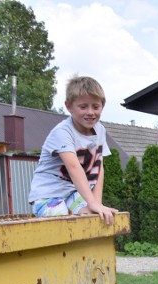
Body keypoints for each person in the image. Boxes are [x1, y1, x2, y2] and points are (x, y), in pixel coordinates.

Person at [28, 75, 118, 224]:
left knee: (95, 218)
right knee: (64, 221)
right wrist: (92, 202)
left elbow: (99, 167)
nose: (90, 112)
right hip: (49, 195)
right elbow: (73, 167)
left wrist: (96, 203)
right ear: (69, 106)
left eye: (96, 106)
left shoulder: (100, 130)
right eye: (83, 107)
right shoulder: (63, 132)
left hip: (73, 194)